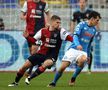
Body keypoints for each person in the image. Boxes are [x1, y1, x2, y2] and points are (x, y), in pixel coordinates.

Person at [8, 15, 73, 87]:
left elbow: (70, 38)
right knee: (24, 67)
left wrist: (77, 43)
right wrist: (27, 37)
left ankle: (29, 78)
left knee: (46, 64)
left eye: (60, 23)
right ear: (51, 22)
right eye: (57, 22)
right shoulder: (43, 31)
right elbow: (34, 41)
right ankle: (15, 82)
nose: (59, 24)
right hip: (41, 53)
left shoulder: (61, 31)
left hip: (52, 55)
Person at [48, 11, 101, 87]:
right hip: (73, 49)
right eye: (97, 20)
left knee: (83, 60)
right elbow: (75, 36)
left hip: (83, 51)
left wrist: (88, 55)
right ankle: (53, 82)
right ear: (92, 19)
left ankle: (73, 77)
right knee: (62, 68)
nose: (98, 22)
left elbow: (89, 44)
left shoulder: (94, 30)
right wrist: (78, 44)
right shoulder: (81, 25)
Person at [20, 0, 51, 76]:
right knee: (32, 52)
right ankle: (43, 63)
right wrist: (26, 17)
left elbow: (48, 14)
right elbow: (21, 15)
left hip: (39, 31)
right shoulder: (27, 3)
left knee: (34, 51)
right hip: (29, 31)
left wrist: (48, 22)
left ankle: (30, 70)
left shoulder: (44, 3)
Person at [70, 0, 97, 73]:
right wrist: (72, 33)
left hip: (88, 35)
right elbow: (73, 22)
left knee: (89, 51)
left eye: (83, 2)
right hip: (79, 35)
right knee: (76, 50)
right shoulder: (76, 13)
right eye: (80, 2)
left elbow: (96, 21)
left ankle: (89, 68)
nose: (82, 4)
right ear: (79, 3)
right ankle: (77, 67)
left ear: (85, 3)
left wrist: (97, 30)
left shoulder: (90, 12)